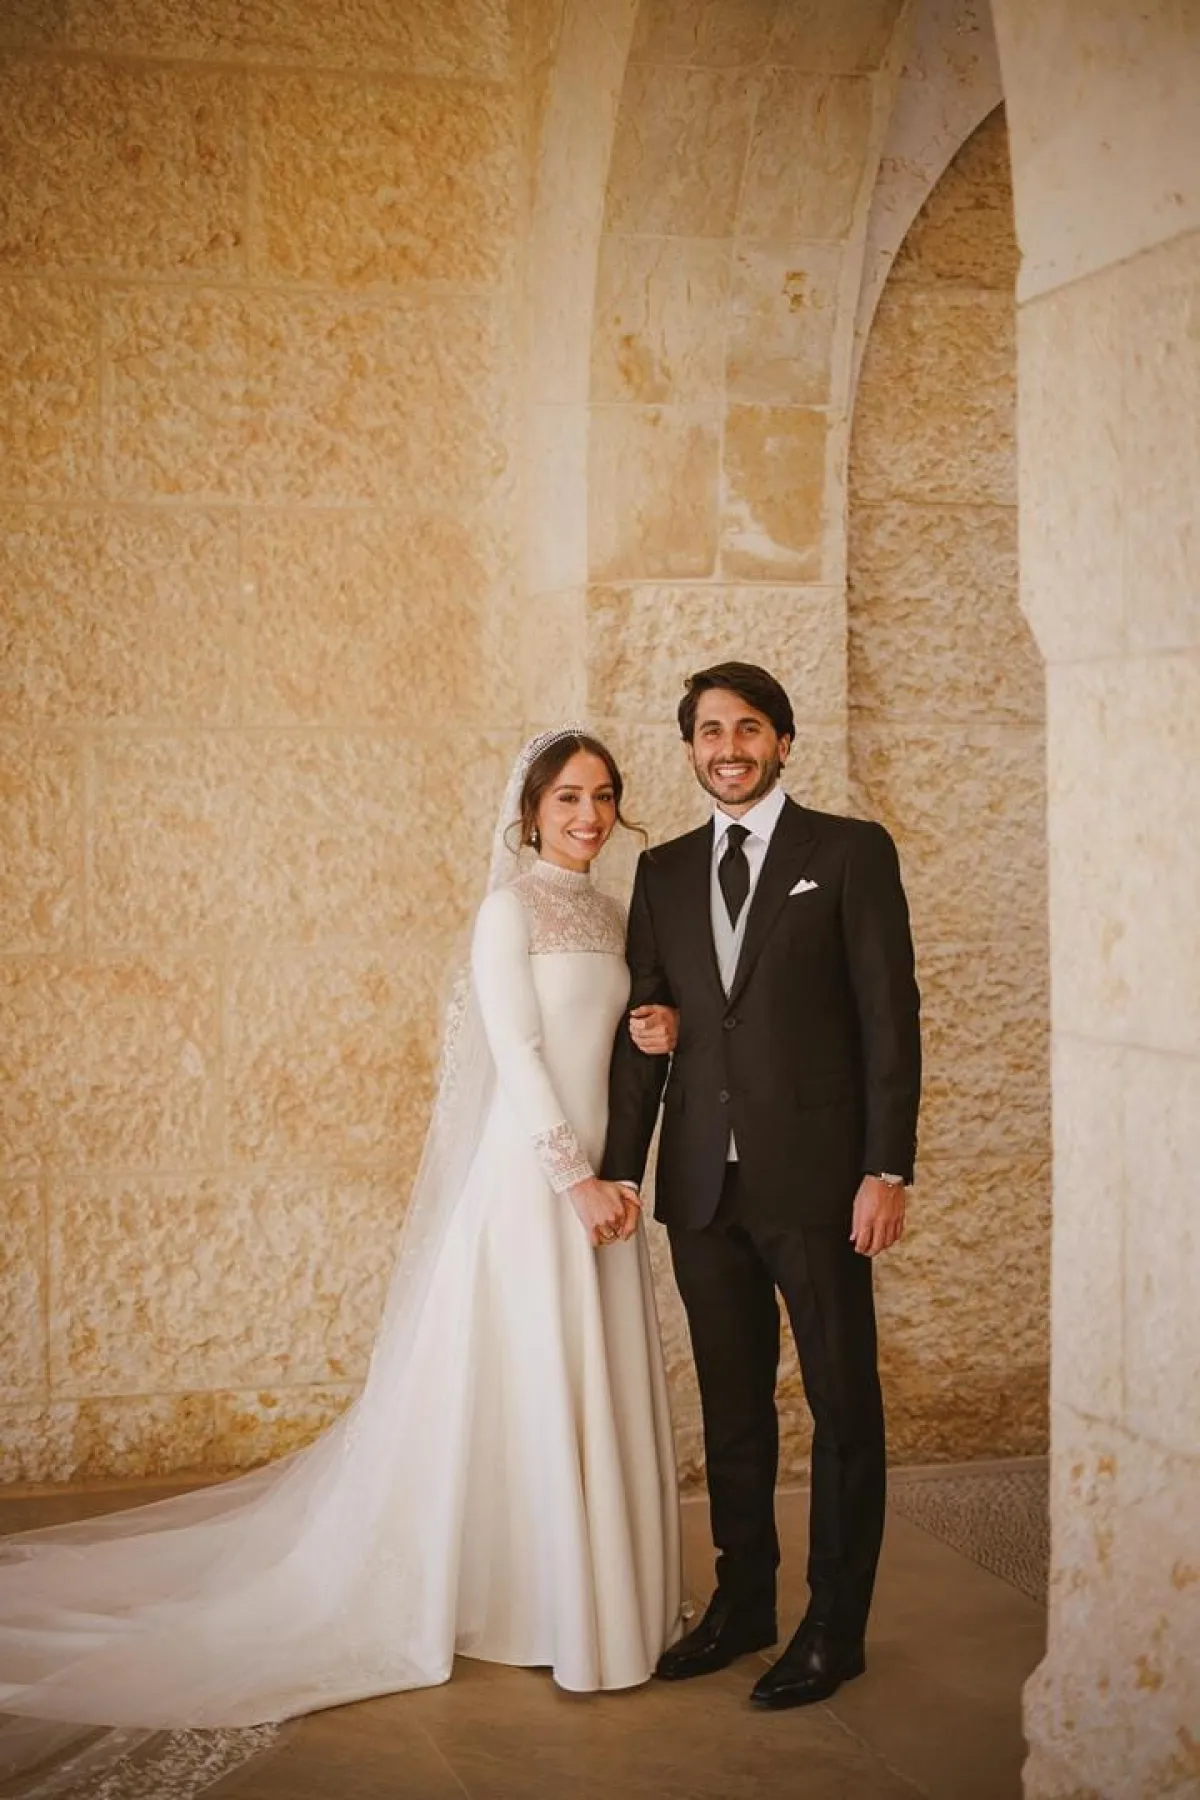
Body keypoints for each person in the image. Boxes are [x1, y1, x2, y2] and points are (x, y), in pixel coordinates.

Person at [0, 727, 682, 1787]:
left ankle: (588, 1594)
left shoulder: (611, 912)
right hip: (534, 1182)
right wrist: (572, 1179)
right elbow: (517, 1053)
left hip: (606, 1179)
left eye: (602, 797)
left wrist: (654, 1042)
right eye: (567, 799)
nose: (588, 817)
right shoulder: (507, 912)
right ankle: (527, 1605)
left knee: (582, 1378)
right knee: (531, 1378)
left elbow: (612, 1040)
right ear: (530, 813)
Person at [602, 663, 921, 1711]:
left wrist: (886, 1168)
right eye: (709, 731)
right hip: (703, 1184)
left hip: (820, 1183)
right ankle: (745, 1602)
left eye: (747, 729)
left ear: (782, 741)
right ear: (690, 748)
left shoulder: (849, 852)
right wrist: (620, 1168)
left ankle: (836, 1628)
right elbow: (649, 1030)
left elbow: (890, 1020)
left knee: (842, 1405)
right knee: (733, 1406)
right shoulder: (662, 871)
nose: (728, 748)